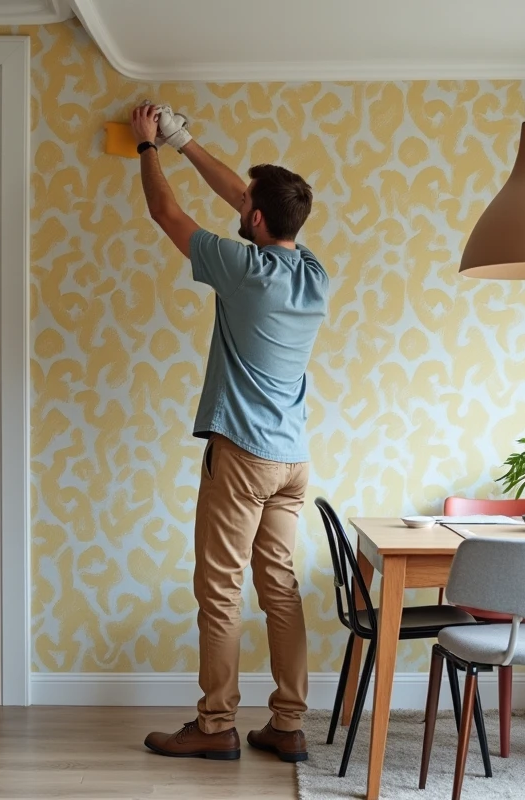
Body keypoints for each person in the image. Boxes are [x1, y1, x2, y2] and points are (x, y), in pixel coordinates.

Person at [130, 102, 329, 764]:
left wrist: (149, 148)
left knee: (219, 592)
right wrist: (184, 141)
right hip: (292, 461)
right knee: (280, 590)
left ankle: (215, 725)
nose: (239, 206)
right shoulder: (314, 275)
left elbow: (166, 213)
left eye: (247, 205)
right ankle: (288, 724)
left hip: (242, 455)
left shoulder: (243, 271)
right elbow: (250, 202)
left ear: (257, 221)